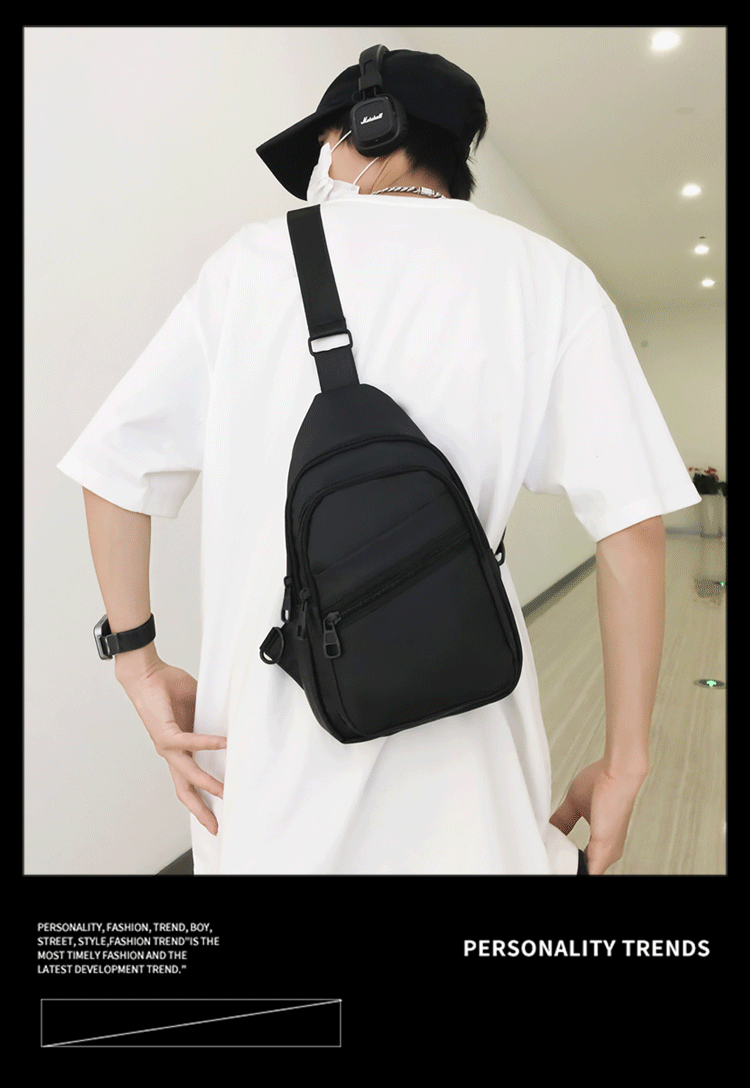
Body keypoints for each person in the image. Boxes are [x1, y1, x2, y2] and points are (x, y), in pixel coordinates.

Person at [58, 47, 701, 876]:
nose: (320, 167)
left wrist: (139, 666)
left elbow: (116, 472)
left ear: (369, 126)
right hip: (475, 789)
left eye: (323, 144)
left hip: (270, 795)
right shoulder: (549, 279)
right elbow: (633, 527)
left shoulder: (252, 264)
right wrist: (623, 765)